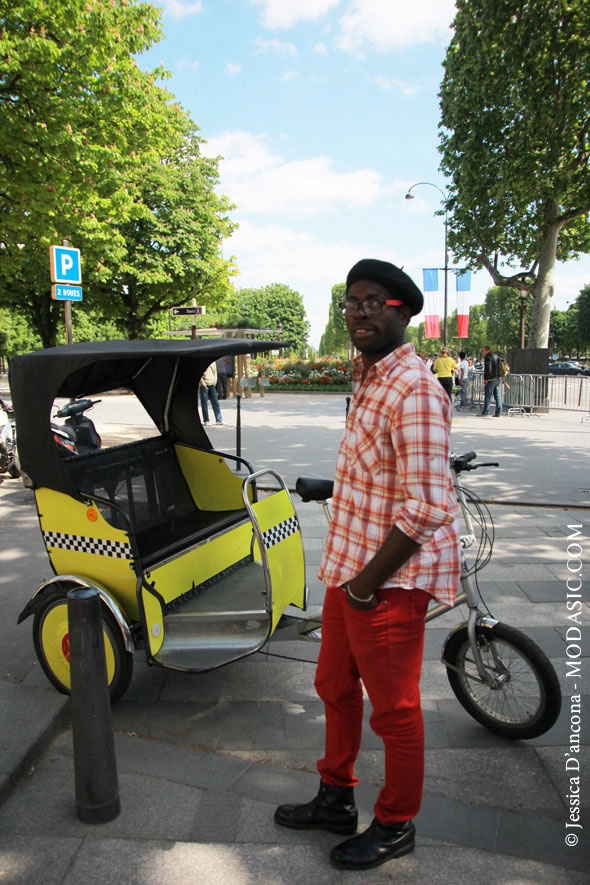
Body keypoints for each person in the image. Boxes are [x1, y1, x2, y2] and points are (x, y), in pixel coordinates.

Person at [274, 258, 461, 871]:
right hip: (348, 567)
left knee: (396, 710)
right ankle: (336, 797)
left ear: (402, 311)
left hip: (386, 581)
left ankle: (397, 823)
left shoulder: (414, 389)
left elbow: (429, 504)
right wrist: (336, 486)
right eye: (350, 302)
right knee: (332, 684)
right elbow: (385, 473)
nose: (358, 311)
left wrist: (365, 586)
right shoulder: (368, 376)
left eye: (372, 301)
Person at [481, 345, 502, 417]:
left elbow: (488, 368)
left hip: (491, 379)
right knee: (497, 396)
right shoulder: (496, 356)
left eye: (483, 350)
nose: (482, 352)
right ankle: (498, 412)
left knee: (488, 395)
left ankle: (485, 412)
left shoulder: (488, 357)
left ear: (487, 350)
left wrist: (486, 378)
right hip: (497, 378)